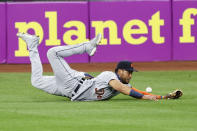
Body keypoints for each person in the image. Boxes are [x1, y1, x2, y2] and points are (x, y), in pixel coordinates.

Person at [16, 32, 183, 101]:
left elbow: (137, 91)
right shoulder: (109, 76)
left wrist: (163, 96)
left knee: (36, 81)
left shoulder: (121, 84)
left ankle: (31, 45)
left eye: (132, 72)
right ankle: (86, 47)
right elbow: (127, 90)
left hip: (69, 91)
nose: (131, 75)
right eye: (129, 72)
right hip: (73, 83)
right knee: (52, 53)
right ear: (119, 71)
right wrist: (149, 98)